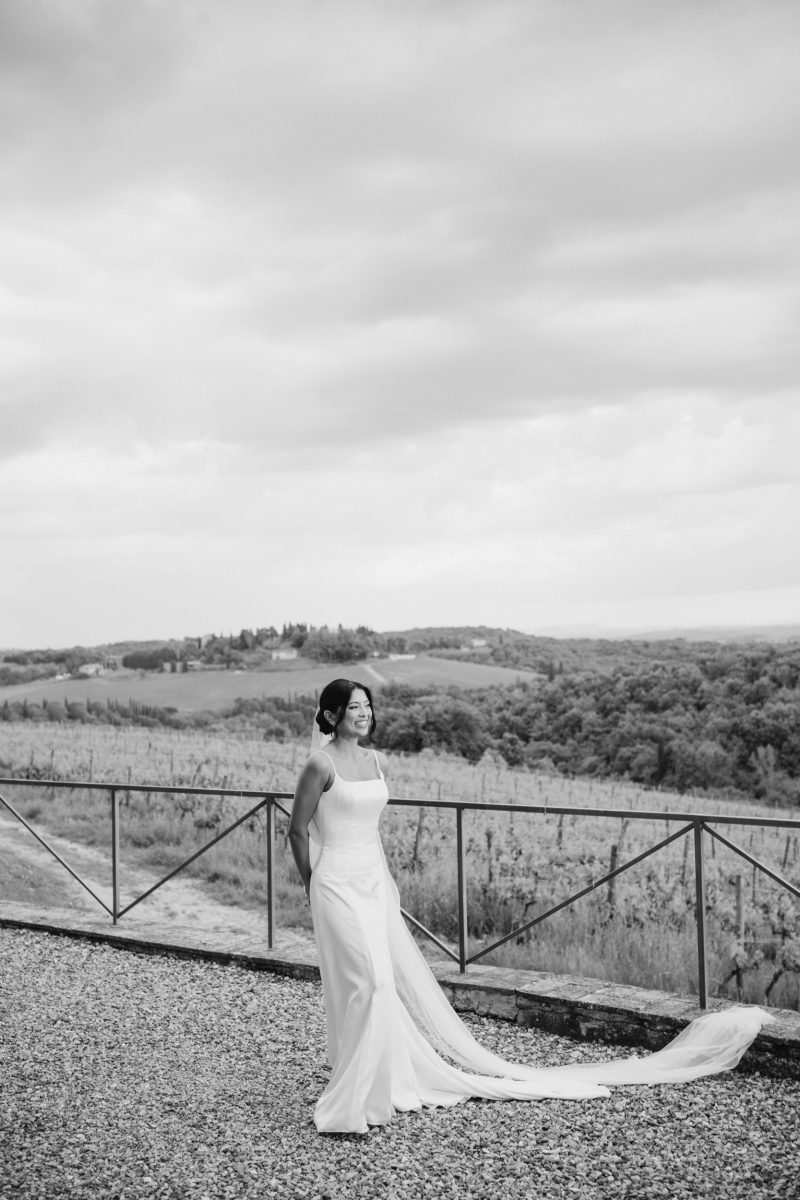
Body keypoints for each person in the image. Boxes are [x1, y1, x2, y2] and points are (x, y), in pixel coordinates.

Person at [289, 678, 770, 1135]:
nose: (364, 714)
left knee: (378, 983)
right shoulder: (320, 765)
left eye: (367, 705)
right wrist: (314, 886)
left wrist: (382, 881)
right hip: (335, 885)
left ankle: (372, 1085)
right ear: (331, 716)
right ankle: (349, 1099)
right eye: (353, 707)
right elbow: (297, 830)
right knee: (368, 983)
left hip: (372, 883)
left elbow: (369, 829)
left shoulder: (375, 761)